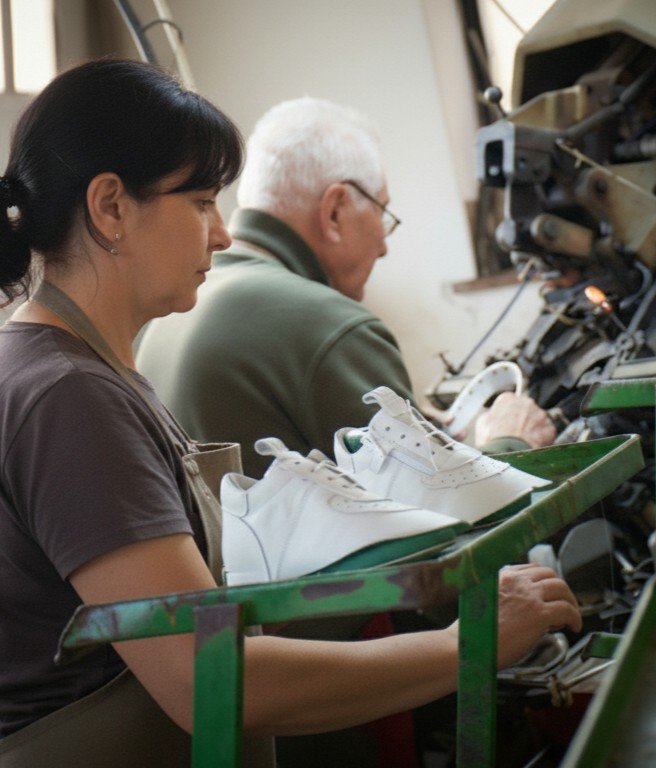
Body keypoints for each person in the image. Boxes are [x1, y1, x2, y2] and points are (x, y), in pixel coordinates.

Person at [0, 59, 580, 767]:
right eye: (201, 201)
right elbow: (207, 678)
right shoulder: (66, 394)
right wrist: (467, 645)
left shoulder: (84, 367)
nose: (221, 234)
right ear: (111, 207)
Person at [137, 96, 555, 480]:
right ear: (335, 211)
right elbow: (459, 509)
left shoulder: (167, 317)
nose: (385, 245)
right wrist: (510, 444)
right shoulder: (331, 326)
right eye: (382, 212)